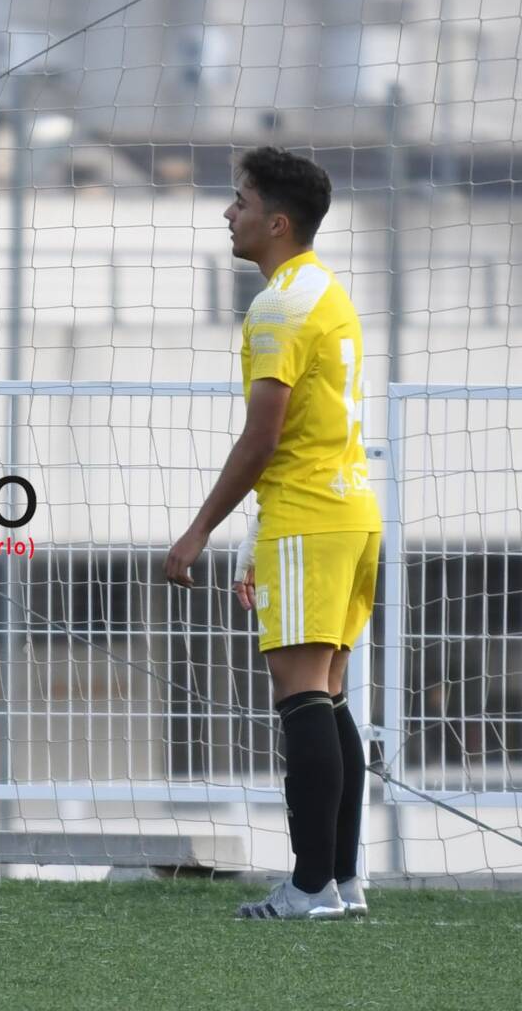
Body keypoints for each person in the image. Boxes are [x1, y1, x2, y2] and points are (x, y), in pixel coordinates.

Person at [164, 146, 380, 920]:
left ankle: (309, 884)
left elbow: (262, 438)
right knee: (327, 693)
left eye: (241, 201)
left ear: (277, 222)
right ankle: (341, 881)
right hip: (351, 514)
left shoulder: (277, 306)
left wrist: (195, 533)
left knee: (299, 695)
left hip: (307, 517)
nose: (229, 214)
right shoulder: (327, 289)